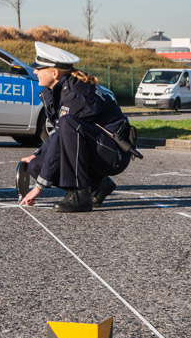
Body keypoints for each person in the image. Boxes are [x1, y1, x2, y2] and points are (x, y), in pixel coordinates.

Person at [19, 42, 133, 212]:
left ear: (55, 73)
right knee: (36, 165)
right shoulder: (55, 90)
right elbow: (59, 134)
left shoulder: (76, 95)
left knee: (67, 124)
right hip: (97, 146)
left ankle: (80, 194)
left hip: (113, 153)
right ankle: (98, 185)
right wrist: (37, 154)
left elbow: (65, 131)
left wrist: (38, 187)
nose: (35, 71)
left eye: (39, 68)